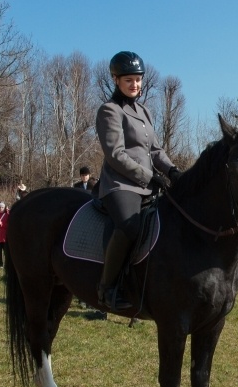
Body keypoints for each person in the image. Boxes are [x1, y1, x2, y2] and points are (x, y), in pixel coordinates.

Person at [96, 51, 182, 310]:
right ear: (115, 79)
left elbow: (155, 150)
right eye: (128, 80)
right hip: (120, 185)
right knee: (130, 227)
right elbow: (115, 154)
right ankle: (106, 289)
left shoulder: (144, 111)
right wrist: (149, 177)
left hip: (148, 183)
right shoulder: (109, 111)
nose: (135, 85)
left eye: (138, 79)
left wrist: (173, 171)